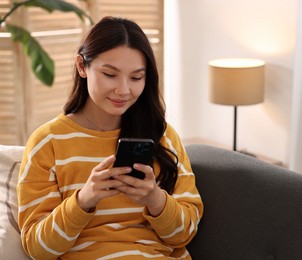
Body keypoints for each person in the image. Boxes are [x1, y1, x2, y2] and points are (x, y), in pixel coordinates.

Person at [17, 16, 203, 259]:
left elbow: (185, 235)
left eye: (136, 78)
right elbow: (38, 250)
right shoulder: (47, 143)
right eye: (110, 74)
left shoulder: (163, 136)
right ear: (82, 67)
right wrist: (84, 199)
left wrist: (154, 198)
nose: (124, 90)